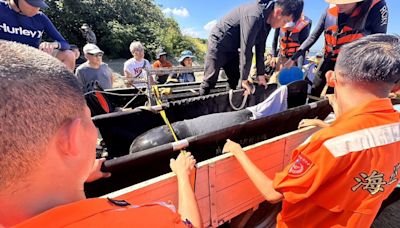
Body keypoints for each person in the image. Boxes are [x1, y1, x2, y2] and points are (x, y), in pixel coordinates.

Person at [0, 40, 202, 228]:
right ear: (75, 138)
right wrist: (184, 176)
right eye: (89, 118)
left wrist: (75, 173)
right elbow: (190, 223)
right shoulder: (148, 220)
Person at [223, 34, 400, 227]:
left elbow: (273, 193)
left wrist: (237, 151)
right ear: (395, 86)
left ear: (331, 78)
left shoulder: (329, 144)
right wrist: (328, 124)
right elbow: (365, 137)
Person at [285, 0, 388, 97]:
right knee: (314, 89)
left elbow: (378, 44)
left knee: (335, 94)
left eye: (344, 2)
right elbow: (313, 37)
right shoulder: (329, 11)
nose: (339, 5)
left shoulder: (377, 8)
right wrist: (293, 58)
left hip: (351, 64)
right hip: (328, 58)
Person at [199, 0, 304, 96]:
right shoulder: (254, 15)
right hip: (219, 43)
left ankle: (230, 105)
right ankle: (199, 107)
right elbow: (247, 49)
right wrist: (245, 79)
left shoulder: (267, 21)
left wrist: (261, 74)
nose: (283, 25)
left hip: (234, 47)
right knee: (210, 80)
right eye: (285, 21)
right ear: (278, 12)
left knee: (235, 80)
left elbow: (260, 47)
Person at [0, 0, 75, 71]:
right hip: (5, 58)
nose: (36, 9)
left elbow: (65, 44)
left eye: (38, 5)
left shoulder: (40, 17)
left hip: (31, 60)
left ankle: (61, 84)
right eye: (32, 4)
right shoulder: (2, 8)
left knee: (68, 55)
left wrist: (52, 45)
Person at [269, 14, 311, 83]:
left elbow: (302, 50)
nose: (288, 28)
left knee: (292, 80)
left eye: (291, 26)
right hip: (282, 56)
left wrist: (299, 68)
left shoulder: (304, 27)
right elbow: (275, 40)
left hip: (295, 57)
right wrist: (273, 56)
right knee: (276, 78)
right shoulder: (279, 23)